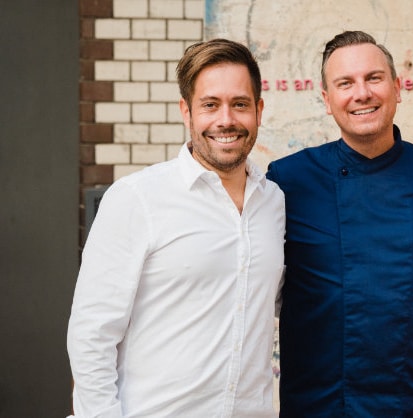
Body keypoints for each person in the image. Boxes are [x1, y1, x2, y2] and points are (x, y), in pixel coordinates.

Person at [67, 39, 285, 417]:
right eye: (210, 105)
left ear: (259, 110)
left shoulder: (274, 203)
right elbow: (92, 336)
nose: (226, 120)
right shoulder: (137, 199)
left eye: (240, 104)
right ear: (186, 111)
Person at [265, 30, 413, 417]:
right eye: (345, 83)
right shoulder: (287, 181)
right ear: (327, 100)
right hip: (320, 405)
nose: (361, 93)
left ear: (397, 88)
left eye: (374, 78)